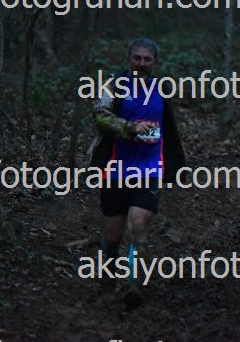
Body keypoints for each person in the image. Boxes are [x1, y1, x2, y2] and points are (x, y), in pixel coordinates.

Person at [88, 38, 185, 309]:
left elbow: (170, 127)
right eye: (137, 58)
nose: (141, 63)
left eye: (147, 59)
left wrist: (174, 163)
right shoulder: (114, 85)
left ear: (155, 63)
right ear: (129, 59)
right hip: (115, 169)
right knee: (112, 234)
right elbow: (100, 116)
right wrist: (130, 127)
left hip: (149, 168)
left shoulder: (162, 89)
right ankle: (108, 281)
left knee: (139, 223)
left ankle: (134, 284)